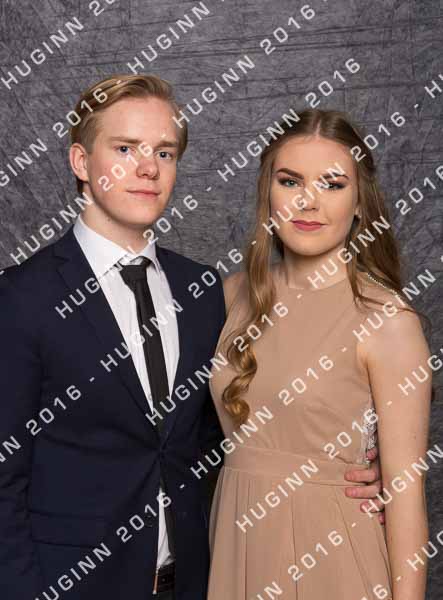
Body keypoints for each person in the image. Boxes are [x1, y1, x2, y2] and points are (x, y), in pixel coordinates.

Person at [0, 76, 385, 600]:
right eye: (125, 149)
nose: (148, 168)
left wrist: (353, 464)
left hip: (195, 582)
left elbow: (227, 429)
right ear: (81, 162)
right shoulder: (22, 297)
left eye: (164, 152)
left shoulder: (201, 290)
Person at [207, 109, 432, 600]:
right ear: (268, 193)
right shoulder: (230, 296)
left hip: (334, 561)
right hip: (236, 549)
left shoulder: (387, 320)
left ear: (360, 202)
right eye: (290, 182)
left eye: (332, 184)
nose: (308, 201)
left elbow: (406, 496)